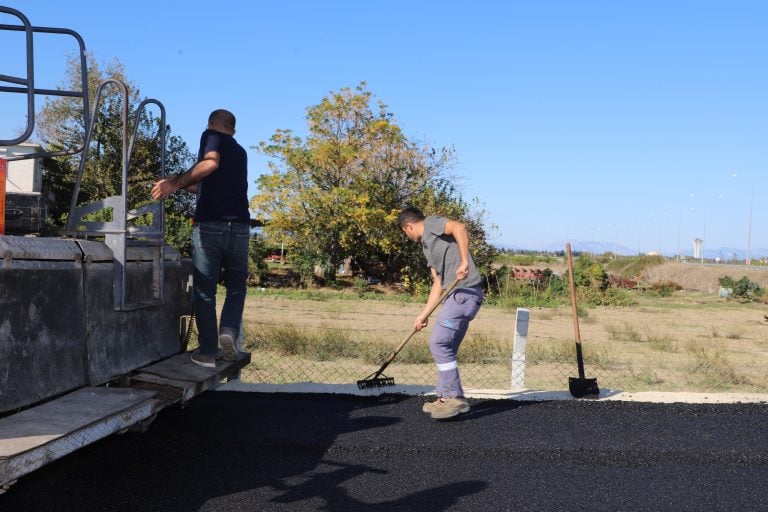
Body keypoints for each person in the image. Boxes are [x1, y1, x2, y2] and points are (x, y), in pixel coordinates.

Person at [152, 109, 250, 368]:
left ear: (211, 124)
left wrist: (172, 185)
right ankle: (228, 330)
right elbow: (202, 186)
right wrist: (177, 180)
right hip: (240, 228)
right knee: (236, 286)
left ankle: (207, 352)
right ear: (233, 129)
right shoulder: (240, 152)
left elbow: (209, 164)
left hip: (211, 226)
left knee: (205, 291)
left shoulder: (211, 136)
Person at [398, 206, 483, 420]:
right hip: (457, 296)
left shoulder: (431, 224)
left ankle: (455, 397)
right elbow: (438, 283)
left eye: (404, 232)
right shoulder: (427, 247)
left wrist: (464, 261)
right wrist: (423, 315)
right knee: (446, 348)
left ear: (408, 226)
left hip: (464, 293)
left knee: (438, 343)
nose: (407, 236)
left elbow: (459, 227)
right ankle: (444, 398)